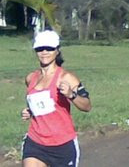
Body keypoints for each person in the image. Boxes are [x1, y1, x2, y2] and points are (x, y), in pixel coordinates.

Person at [21, 30, 91, 167]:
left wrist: (72, 95)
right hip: (35, 142)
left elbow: (87, 106)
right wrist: (29, 111)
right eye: (40, 48)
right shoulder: (31, 78)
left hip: (62, 145)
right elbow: (37, 104)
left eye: (49, 48)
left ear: (57, 51)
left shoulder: (66, 77)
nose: (44, 52)